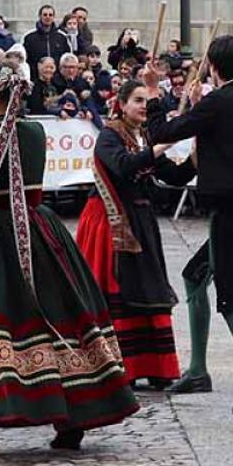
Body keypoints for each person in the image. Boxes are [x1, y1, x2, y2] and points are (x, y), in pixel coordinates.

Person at [0, 56, 138, 453]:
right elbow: (4, 155)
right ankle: (71, 418)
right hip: (41, 233)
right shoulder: (34, 130)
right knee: (55, 315)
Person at [143, 35, 233, 417]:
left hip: (232, 210)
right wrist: (196, 111)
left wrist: (153, 90)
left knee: (231, 302)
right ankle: (197, 371)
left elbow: (160, 132)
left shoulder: (220, 102)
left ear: (212, 67)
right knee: (194, 276)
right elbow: (213, 138)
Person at [75, 80, 196, 390]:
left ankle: (155, 366)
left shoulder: (145, 137)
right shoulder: (109, 135)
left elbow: (174, 175)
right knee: (118, 290)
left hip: (140, 221)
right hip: (109, 223)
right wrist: (159, 148)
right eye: (137, 100)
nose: (144, 106)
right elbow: (123, 166)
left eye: (146, 100)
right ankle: (117, 367)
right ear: (122, 104)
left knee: (148, 288)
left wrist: (197, 152)